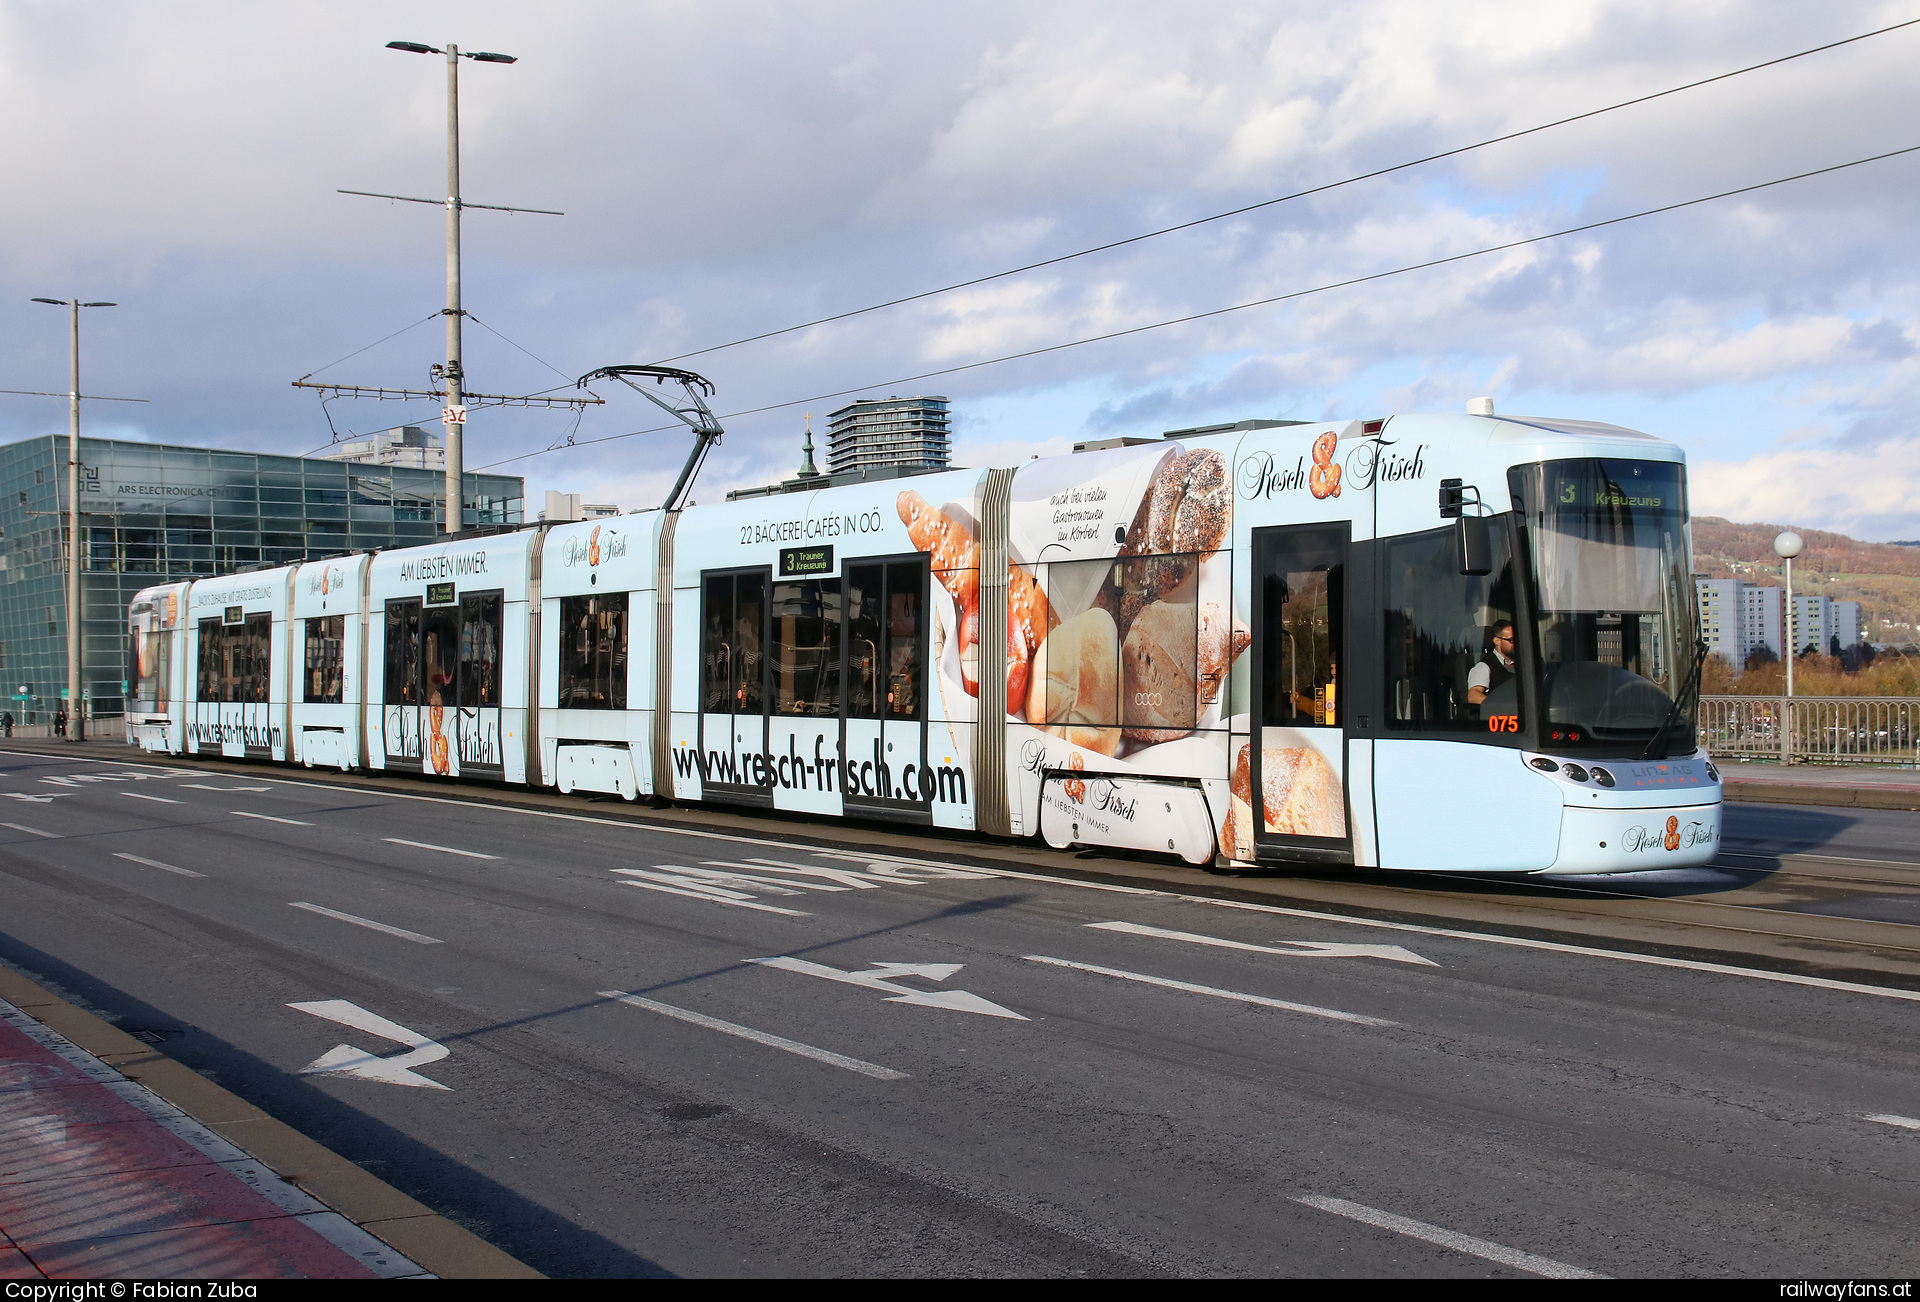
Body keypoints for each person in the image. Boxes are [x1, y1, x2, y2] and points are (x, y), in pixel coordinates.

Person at [1467, 620, 1517, 710]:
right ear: (1497, 641)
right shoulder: (1484, 666)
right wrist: (1503, 707)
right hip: (1500, 719)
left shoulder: (1524, 665)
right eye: (1511, 640)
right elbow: (1473, 696)